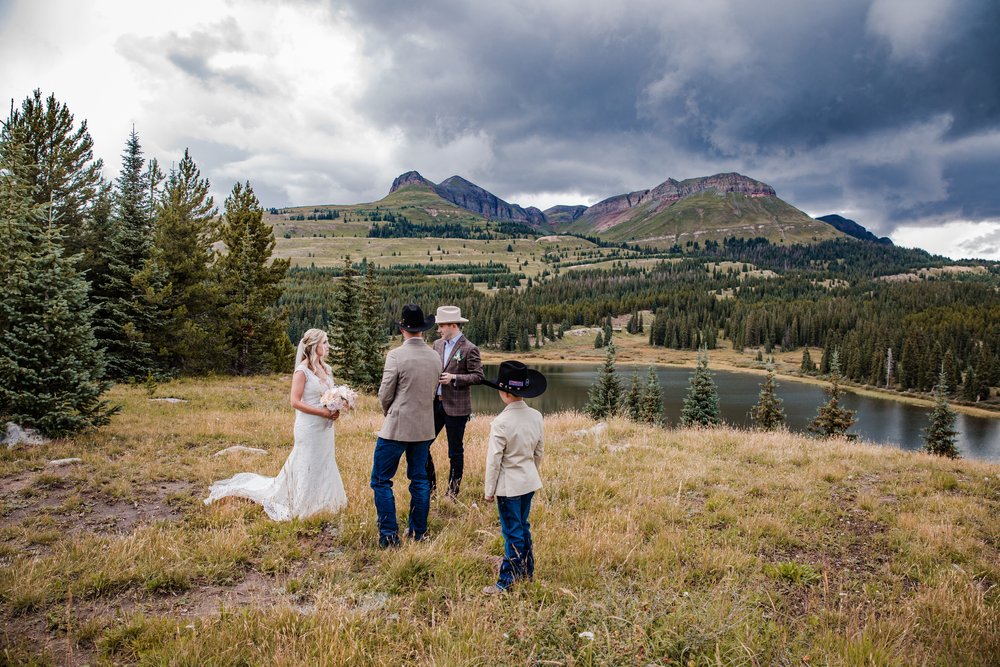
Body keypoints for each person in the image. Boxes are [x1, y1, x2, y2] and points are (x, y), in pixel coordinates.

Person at [204, 328, 347, 520]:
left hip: (325, 428)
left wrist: (336, 406)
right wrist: (322, 412)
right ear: (314, 346)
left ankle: (326, 500)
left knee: (324, 460)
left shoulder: (326, 369)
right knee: (306, 461)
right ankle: (302, 502)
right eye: (325, 342)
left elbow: (328, 395)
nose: (328, 346)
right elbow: (295, 402)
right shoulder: (302, 371)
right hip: (309, 427)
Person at [371, 304, 442, 548]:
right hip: (424, 427)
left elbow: (385, 393)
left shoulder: (396, 355)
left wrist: (388, 412)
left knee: (381, 480)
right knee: (420, 480)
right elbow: (432, 391)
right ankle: (418, 533)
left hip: (397, 426)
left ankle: (389, 536)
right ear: (424, 329)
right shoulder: (435, 356)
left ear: (402, 329)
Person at [481, 360, 546, 595]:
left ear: (505, 393)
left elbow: (494, 460)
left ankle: (506, 582)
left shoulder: (501, 422)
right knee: (523, 526)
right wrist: (531, 471)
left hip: (509, 487)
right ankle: (527, 572)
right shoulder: (536, 416)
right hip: (529, 481)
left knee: (512, 532)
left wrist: (489, 490)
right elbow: (538, 452)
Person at [427, 305, 484, 499]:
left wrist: (455, 378)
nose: (439, 329)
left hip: (457, 408)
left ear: (453, 325)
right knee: (422, 444)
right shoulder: (437, 345)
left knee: (455, 451)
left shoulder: (469, 348)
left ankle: (452, 492)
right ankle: (430, 487)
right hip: (436, 404)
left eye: (441, 326)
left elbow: (478, 377)